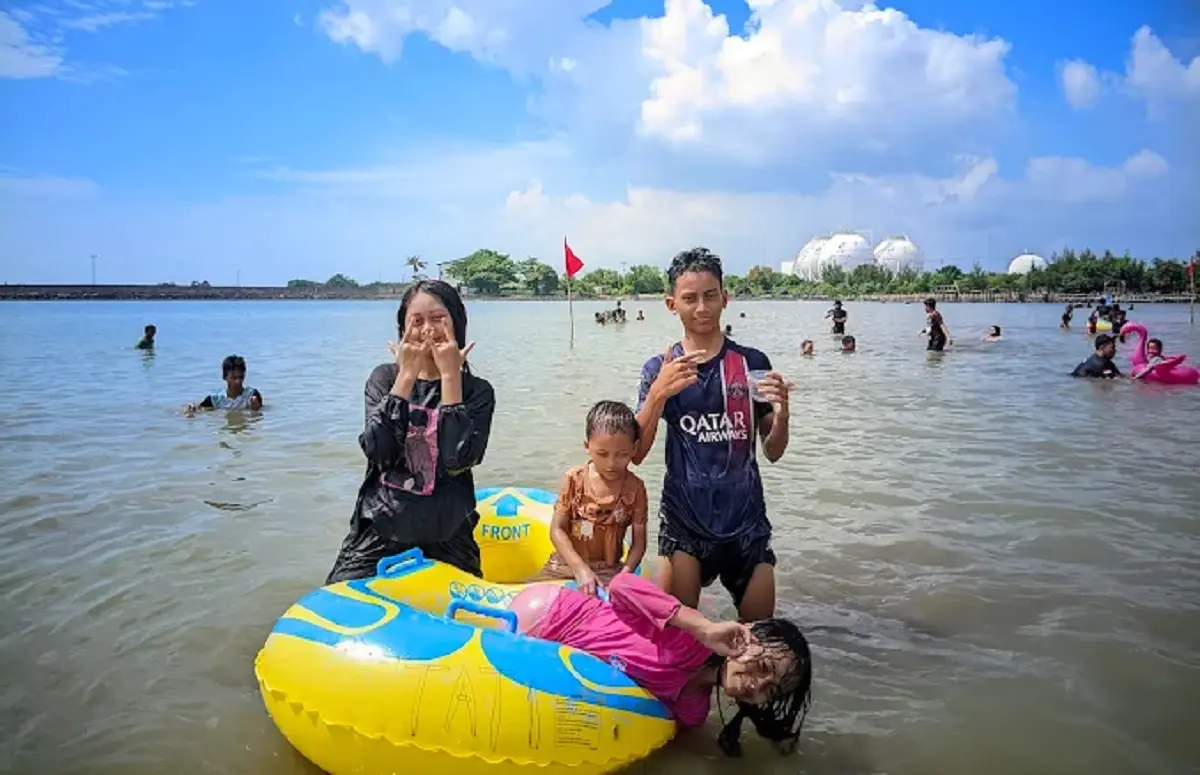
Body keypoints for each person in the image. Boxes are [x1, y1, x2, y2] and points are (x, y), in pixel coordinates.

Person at [634, 247, 791, 622]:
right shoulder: (660, 368)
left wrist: (783, 415)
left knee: (760, 642)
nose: (701, 308)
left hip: (746, 519)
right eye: (690, 299)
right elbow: (636, 453)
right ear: (672, 304)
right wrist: (658, 394)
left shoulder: (751, 363)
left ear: (725, 297)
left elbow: (773, 452)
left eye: (710, 296)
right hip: (685, 519)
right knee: (682, 641)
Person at [508, 570, 812, 757]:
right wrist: (702, 627)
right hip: (549, 617)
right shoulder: (690, 635)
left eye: (769, 691)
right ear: (748, 637)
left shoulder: (693, 712)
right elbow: (622, 585)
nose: (757, 685)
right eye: (763, 668)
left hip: (559, 664)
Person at [326, 280, 496, 584]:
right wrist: (405, 376)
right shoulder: (384, 378)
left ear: (457, 323)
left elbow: (458, 461)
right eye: (416, 321)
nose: (428, 330)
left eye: (438, 319)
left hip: (448, 532)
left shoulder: (477, 392)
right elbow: (379, 451)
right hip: (380, 528)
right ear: (402, 329)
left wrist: (450, 378)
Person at [538, 401, 649, 593]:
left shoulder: (636, 488)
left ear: (634, 448)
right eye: (602, 454)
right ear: (587, 447)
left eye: (621, 454)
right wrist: (580, 569)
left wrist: (625, 574)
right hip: (565, 565)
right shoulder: (575, 479)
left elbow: (639, 542)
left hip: (608, 570)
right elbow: (557, 529)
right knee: (525, 600)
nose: (611, 463)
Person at [185, 355, 263, 413]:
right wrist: (190, 410)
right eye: (234, 378)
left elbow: (259, 417)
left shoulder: (252, 395)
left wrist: (256, 409)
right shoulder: (215, 399)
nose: (238, 381)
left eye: (240, 377)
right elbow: (197, 409)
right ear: (224, 377)